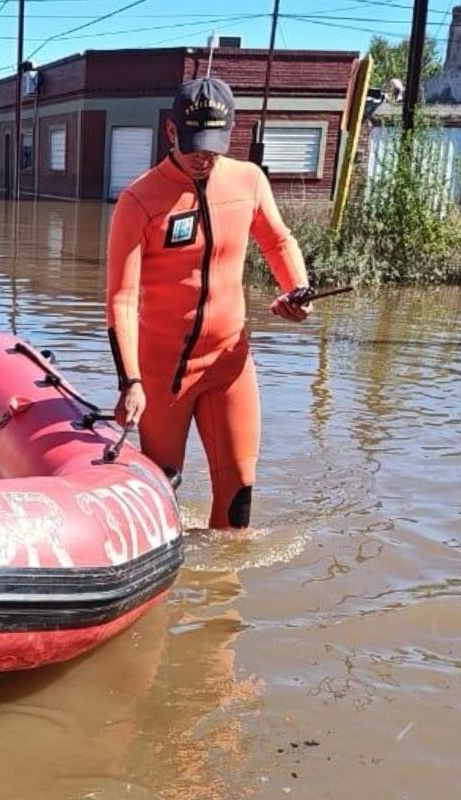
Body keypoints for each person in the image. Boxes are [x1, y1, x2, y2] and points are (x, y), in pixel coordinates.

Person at [105, 76, 311, 530]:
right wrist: (131, 381)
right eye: (195, 144)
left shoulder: (248, 181)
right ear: (172, 133)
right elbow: (121, 299)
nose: (205, 157)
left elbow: (278, 241)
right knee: (161, 494)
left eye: (215, 145)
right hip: (164, 375)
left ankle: (224, 597)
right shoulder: (139, 201)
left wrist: (298, 290)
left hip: (229, 363)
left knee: (239, 489)